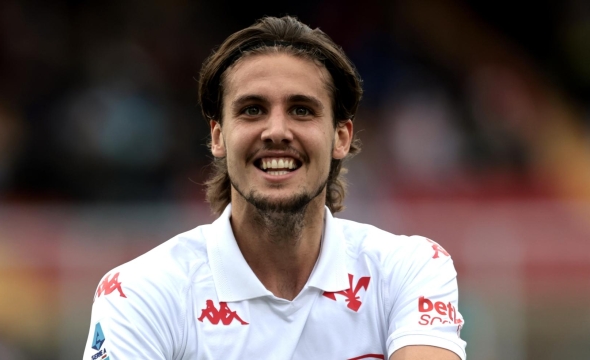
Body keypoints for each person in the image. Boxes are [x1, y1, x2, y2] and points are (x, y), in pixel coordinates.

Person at [83, 16, 466, 360]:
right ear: (218, 136)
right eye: (252, 109)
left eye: (302, 109)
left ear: (341, 137)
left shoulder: (409, 269)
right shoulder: (140, 292)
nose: (277, 131)